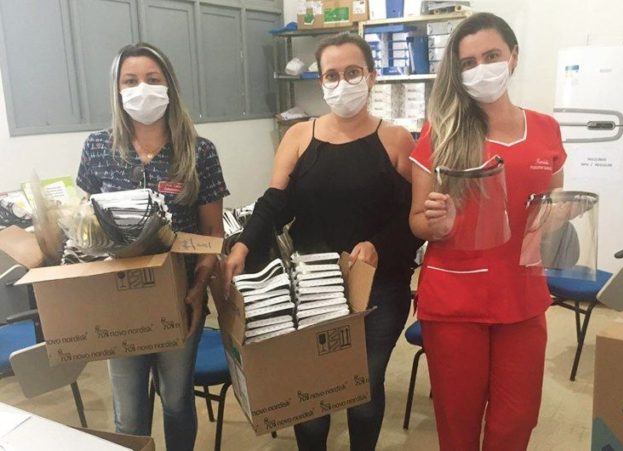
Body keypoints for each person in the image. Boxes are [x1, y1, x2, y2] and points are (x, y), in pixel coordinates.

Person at [223, 33, 422, 451]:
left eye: (353, 72)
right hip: (315, 286)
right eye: (332, 75)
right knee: (312, 395)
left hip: (379, 285)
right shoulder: (299, 136)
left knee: (363, 388)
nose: (342, 83)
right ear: (321, 81)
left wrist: (378, 244)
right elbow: (274, 203)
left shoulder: (397, 139)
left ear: (372, 76)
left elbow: (411, 218)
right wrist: (243, 245)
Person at [408, 13, 566, 451]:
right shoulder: (442, 132)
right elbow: (417, 219)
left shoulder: (546, 129)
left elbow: (553, 201)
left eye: (492, 56)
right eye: (469, 62)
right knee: (458, 422)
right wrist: (436, 223)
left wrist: (561, 213)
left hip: (522, 295)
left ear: (513, 56)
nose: (482, 69)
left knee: (518, 418)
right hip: (456, 300)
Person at [76, 43, 228, 451]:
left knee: (176, 401)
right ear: (117, 89)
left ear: (169, 86)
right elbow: (84, 226)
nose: (141, 89)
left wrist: (198, 287)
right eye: (130, 81)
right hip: (119, 302)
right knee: (128, 413)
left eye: (152, 79)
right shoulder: (98, 148)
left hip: (180, 298)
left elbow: (212, 232)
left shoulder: (199, 151)